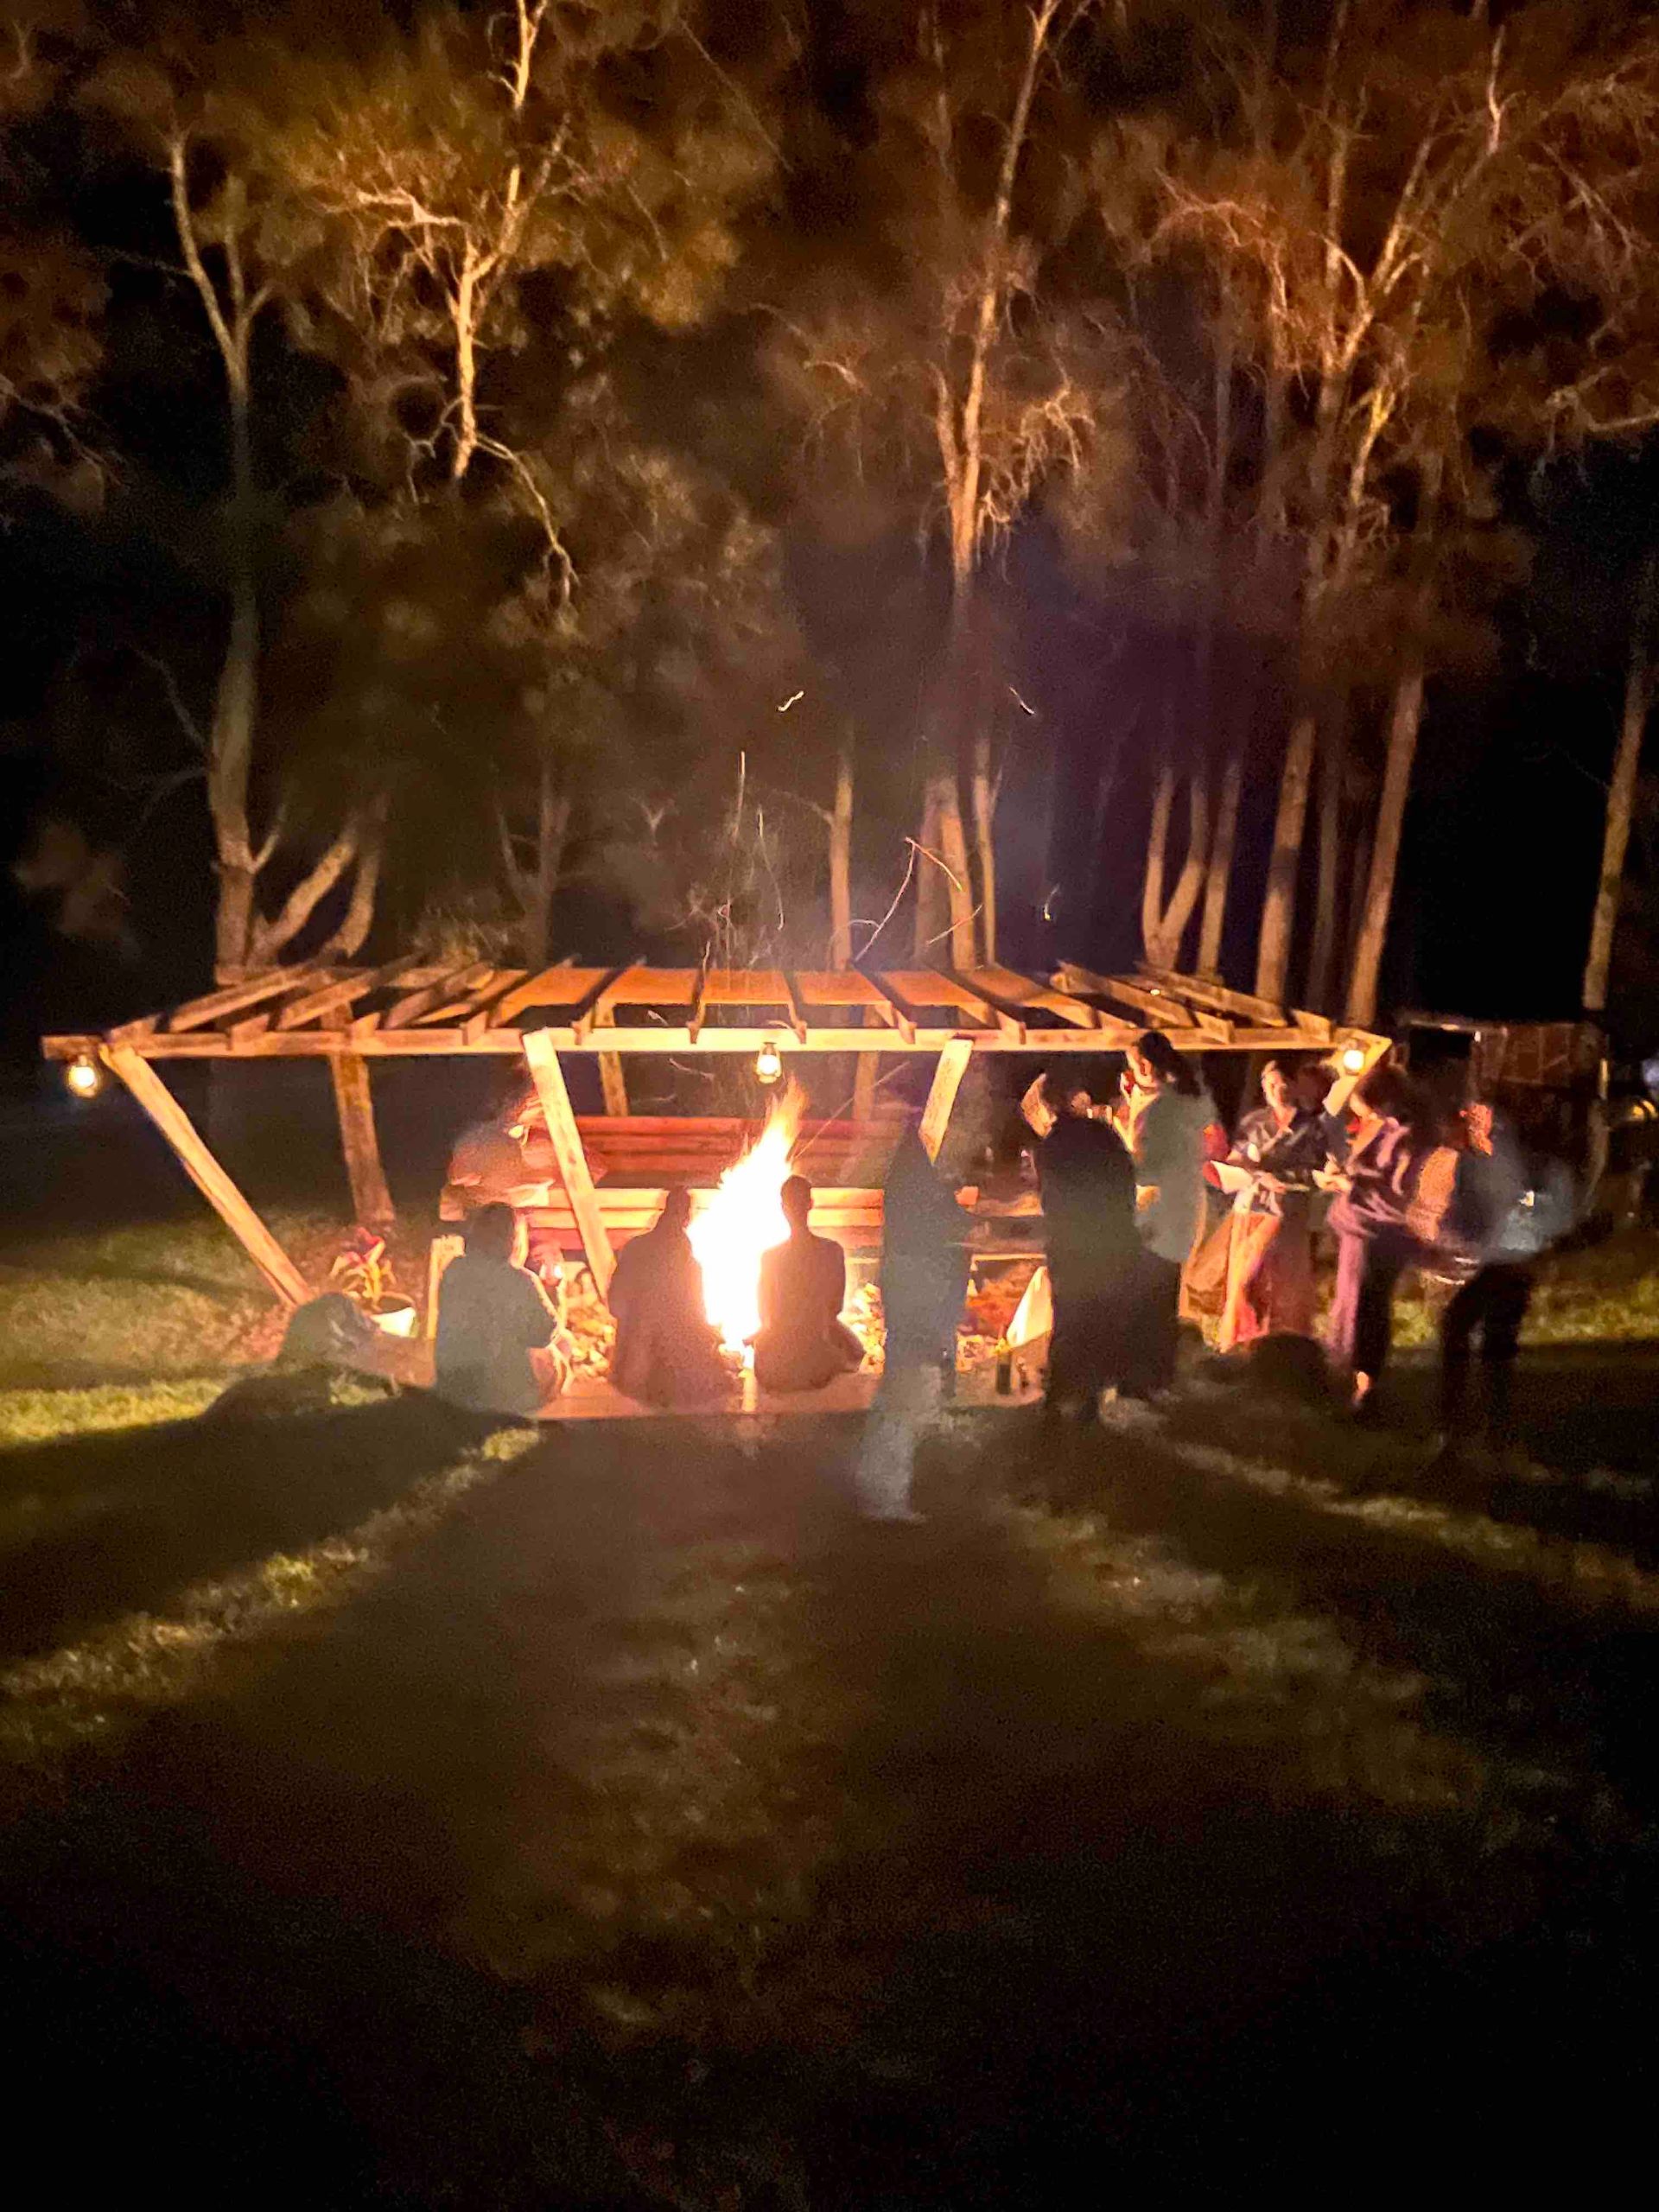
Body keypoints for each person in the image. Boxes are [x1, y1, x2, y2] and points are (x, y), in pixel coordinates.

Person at [1416, 1079, 1578, 1464]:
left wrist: (1526, 1222)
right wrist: (1445, 1237)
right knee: (1471, 1336)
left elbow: (1550, 1205)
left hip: (1514, 1262)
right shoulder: (1478, 1160)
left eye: (1480, 1114)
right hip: (1493, 1259)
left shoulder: (1531, 1161)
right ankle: (1466, 1429)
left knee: (1487, 1341)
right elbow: (1467, 1207)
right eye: (1470, 1114)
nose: (1472, 1121)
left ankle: (1479, 1431)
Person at [855, 1130, 971, 1522]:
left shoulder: (910, 1177)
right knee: (907, 1397)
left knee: (903, 1397)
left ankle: (882, 1486)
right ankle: (885, 1496)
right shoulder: (917, 1187)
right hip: (917, 1297)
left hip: (912, 1295)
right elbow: (946, 1226)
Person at [1031, 1076, 1140, 1421]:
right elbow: (1127, 1180)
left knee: (1069, 1318)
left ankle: (1059, 1396)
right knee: (1101, 1316)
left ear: (1049, 1109)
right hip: (1109, 1240)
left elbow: (1052, 1199)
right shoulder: (1105, 1136)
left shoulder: (1052, 1145)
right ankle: (1092, 1398)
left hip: (1071, 1243)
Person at [1322, 1065, 1427, 1421]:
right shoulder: (1387, 1129)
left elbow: (1401, 1196)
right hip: (1360, 1232)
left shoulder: (1410, 1138)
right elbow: (1371, 1171)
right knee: (1351, 1305)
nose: (1369, 1117)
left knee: (1367, 1307)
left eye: (1371, 1109)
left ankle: (1368, 1388)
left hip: (1381, 1236)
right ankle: (1348, 1374)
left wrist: (1351, 1186)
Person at [1117, 1030, 1217, 1397]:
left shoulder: (1162, 1111)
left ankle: (1142, 1379)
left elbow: (1150, 1169)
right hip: (1183, 1209)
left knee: (1145, 1297)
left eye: (1133, 1067)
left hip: (1158, 1215)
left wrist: (1117, 1157)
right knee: (1163, 1295)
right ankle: (1159, 1375)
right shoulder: (1189, 1101)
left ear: (1145, 1065)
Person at [1211, 1058, 1327, 1356]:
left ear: (1293, 1086)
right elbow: (1237, 1156)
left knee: (1280, 1277)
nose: (1277, 1090)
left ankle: (1281, 1340)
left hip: (1286, 1209)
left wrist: (1282, 1177)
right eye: (1270, 1085)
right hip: (1251, 1204)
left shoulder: (1310, 1126)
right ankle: (1242, 1336)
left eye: (1282, 1084)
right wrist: (1243, 1167)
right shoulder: (1254, 1121)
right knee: (1245, 1274)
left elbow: (1317, 1170)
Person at [435, 1202, 564, 1421]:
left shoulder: (454, 1269)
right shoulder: (521, 1280)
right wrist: (552, 1290)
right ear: (514, 1241)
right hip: (502, 1398)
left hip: (453, 1388)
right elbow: (545, 1334)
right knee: (560, 1349)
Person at [607, 1188, 730, 1408]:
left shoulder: (634, 1248)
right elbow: (696, 1320)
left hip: (628, 1372)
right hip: (666, 1376)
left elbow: (615, 1305)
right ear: (687, 1217)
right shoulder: (689, 1266)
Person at [753, 1175, 865, 1391]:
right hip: (817, 1358)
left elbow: (764, 1313)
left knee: (763, 1344)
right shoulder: (832, 1251)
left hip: (777, 1366)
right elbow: (836, 1307)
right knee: (854, 1349)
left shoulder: (770, 1257)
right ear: (810, 1204)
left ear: (783, 1208)